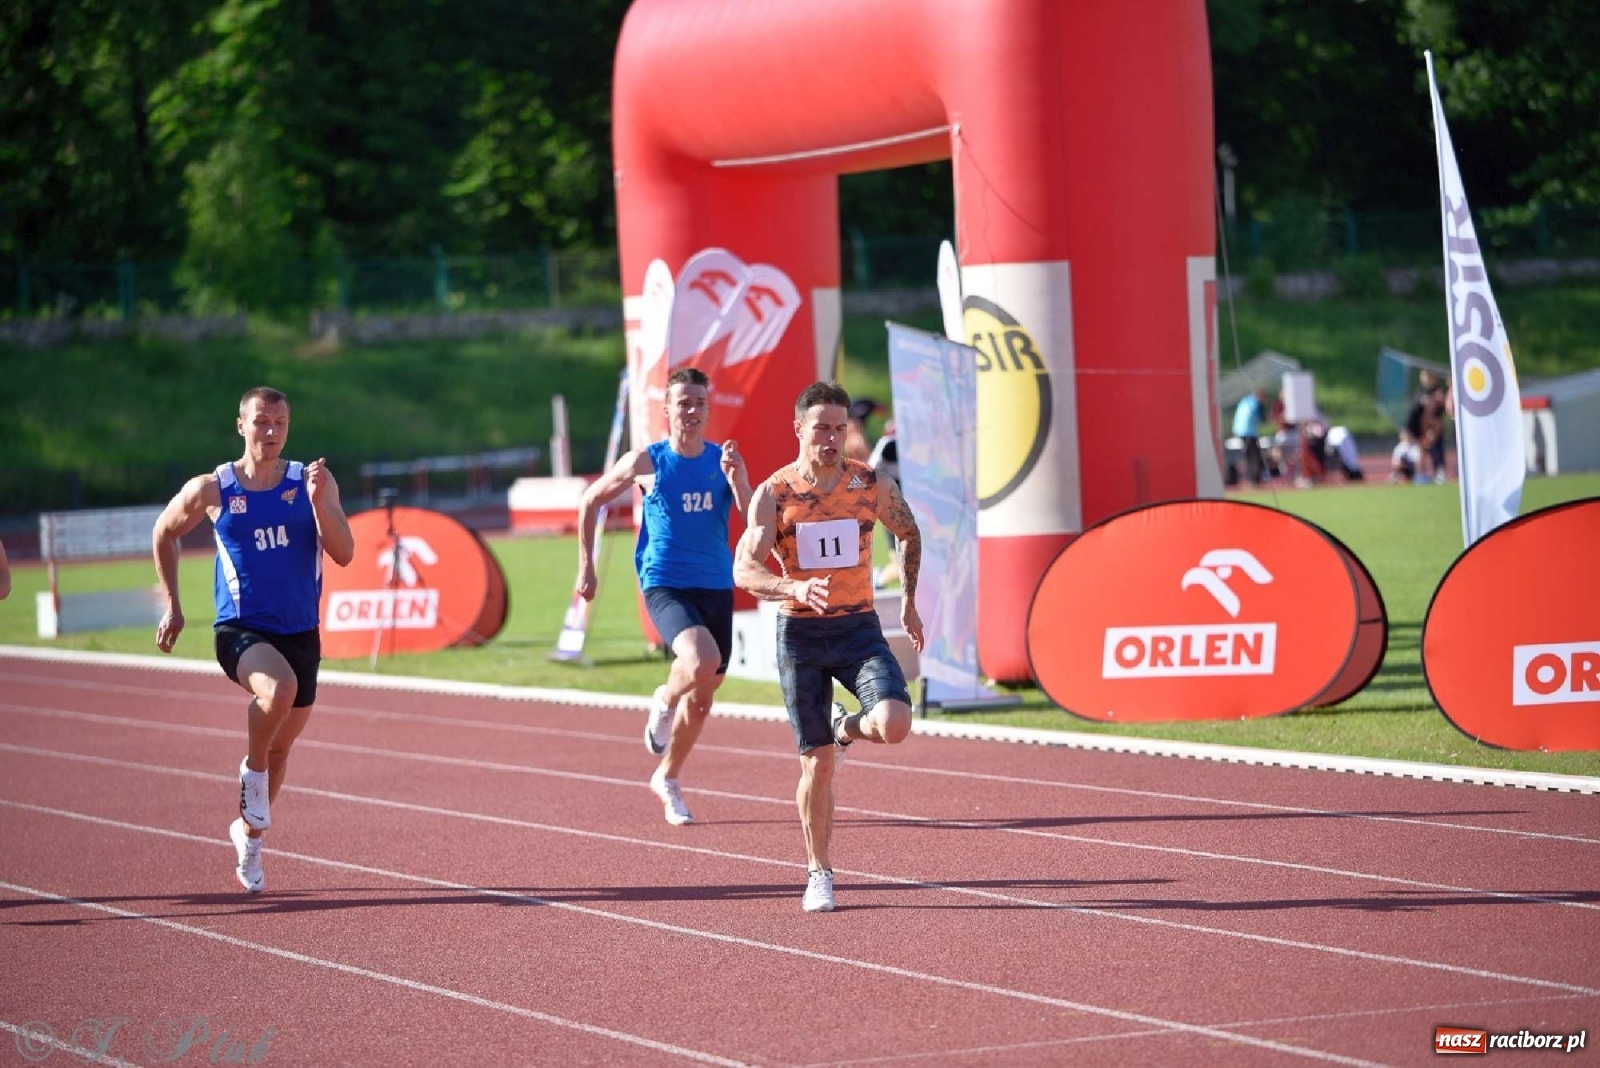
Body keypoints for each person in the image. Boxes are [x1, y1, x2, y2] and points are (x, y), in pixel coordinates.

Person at [151, 386, 355, 894]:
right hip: (241, 630)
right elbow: (164, 532)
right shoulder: (213, 488)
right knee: (277, 692)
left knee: (284, 748)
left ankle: (250, 834)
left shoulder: (312, 482)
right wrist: (173, 605)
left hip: (301, 632)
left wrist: (317, 504)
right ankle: (252, 771)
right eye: (261, 422)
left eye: (280, 424)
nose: (271, 432)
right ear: (241, 425)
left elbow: (345, 553)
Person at [734, 381, 924, 913]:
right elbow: (744, 568)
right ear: (799, 429)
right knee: (816, 766)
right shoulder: (775, 494)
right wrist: (791, 587)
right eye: (821, 427)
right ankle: (819, 870)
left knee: (894, 724)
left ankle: (847, 727)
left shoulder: (870, 485)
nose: (832, 437)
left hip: (859, 627)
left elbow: (908, 532)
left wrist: (907, 601)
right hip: (801, 635)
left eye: (840, 427)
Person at [574, 366, 752, 827]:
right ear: (667, 409)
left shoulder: (722, 460)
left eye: (699, 403)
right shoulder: (647, 462)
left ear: (707, 409)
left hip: (715, 584)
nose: (692, 410)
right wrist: (587, 566)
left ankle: (668, 777)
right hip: (665, 581)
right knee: (697, 660)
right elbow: (591, 499)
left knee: (706, 695)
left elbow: (754, 521)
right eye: (683, 402)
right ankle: (664, 701)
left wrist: (739, 481)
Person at [1231, 388, 1270, 484]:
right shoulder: (1255, 404)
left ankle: (1251, 477)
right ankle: (1253, 478)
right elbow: (1262, 419)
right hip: (1249, 432)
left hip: (1240, 431)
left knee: (1249, 454)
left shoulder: (1246, 401)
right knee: (1254, 455)